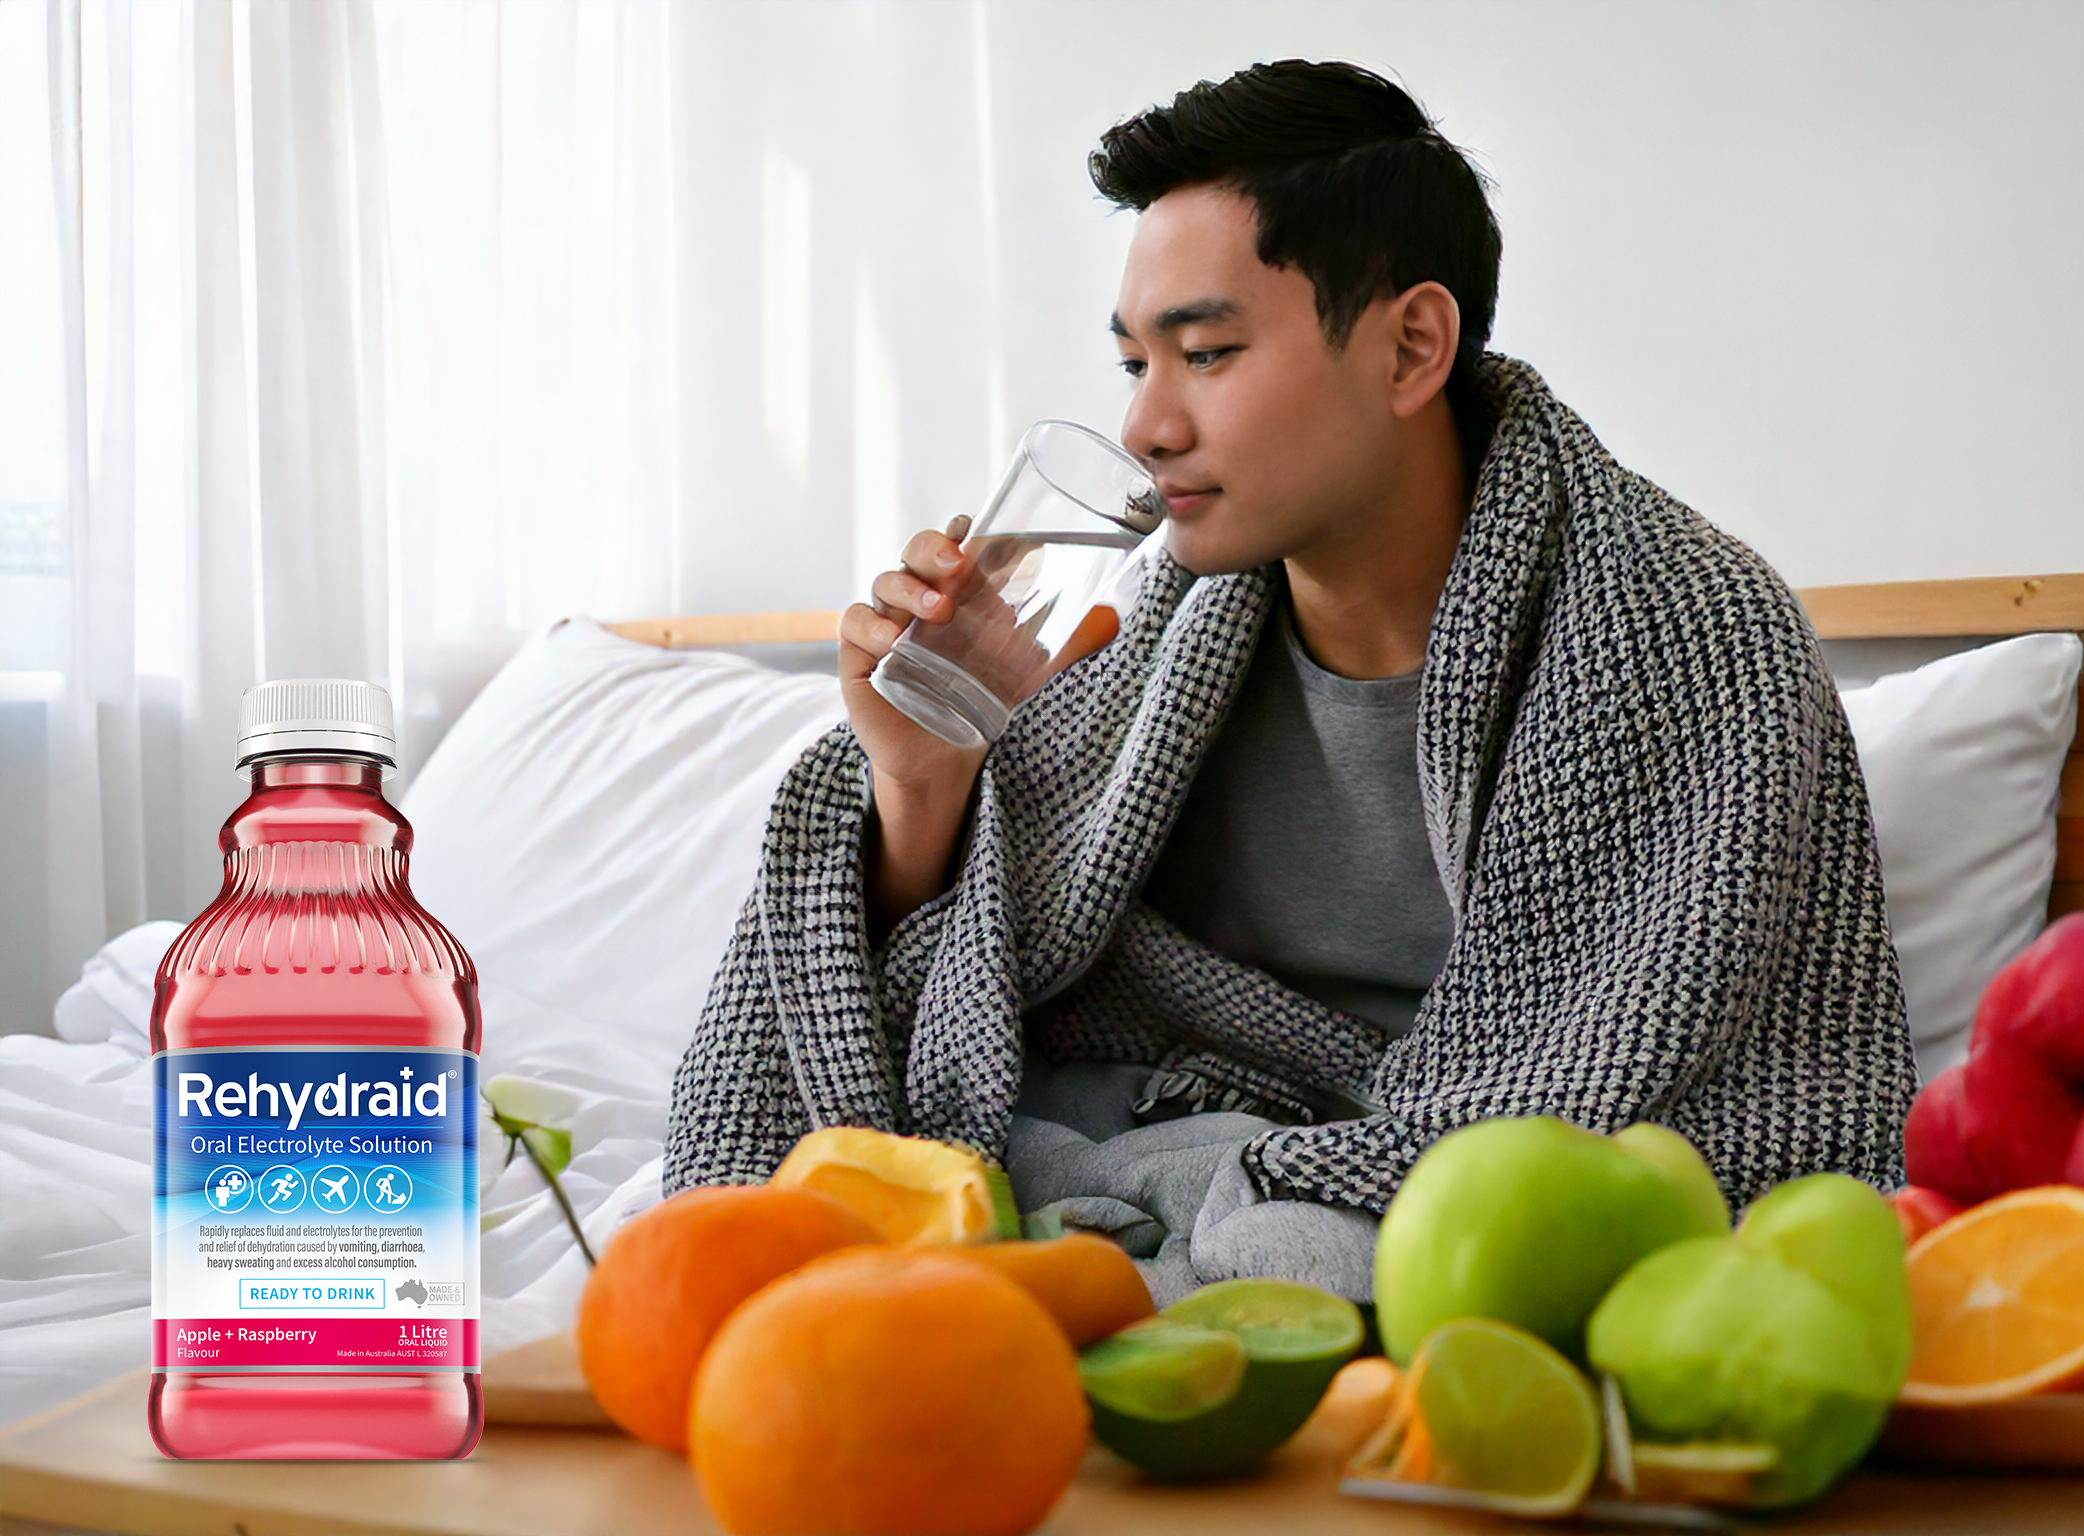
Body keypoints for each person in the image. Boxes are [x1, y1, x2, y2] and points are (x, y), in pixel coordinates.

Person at [665, 60, 1914, 1303]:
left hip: (1416, 1193)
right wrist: (921, 786)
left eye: (1204, 352)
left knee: (1322, 1256)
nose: (1150, 428)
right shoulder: (1141, 635)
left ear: (1412, 346)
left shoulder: (1684, 632)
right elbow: (967, 1004)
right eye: (1133, 366)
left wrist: (1304, 1187)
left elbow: (1675, 1090)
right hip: (1123, 1140)